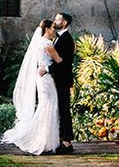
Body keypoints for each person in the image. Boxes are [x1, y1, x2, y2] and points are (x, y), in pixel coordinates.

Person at [0, 19, 63, 155]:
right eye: (53, 28)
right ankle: (43, 141)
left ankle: (45, 140)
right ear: (46, 29)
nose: (54, 30)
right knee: (49, 107)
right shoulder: (47, 44)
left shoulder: (39, 43)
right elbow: (59, 60)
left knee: (45, 106)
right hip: (46, 79)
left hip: (40, 78)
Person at [49, 11, 75, 154]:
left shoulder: (67, 39)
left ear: (64, 22)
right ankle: (61, 140)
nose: (55, 21)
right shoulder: (58, 37)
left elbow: (64, 63)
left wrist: (48, 69)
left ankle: (67, 143)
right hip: (57, 79)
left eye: (57, 19)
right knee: (59, 110)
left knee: (64, 110)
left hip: (63, 80)